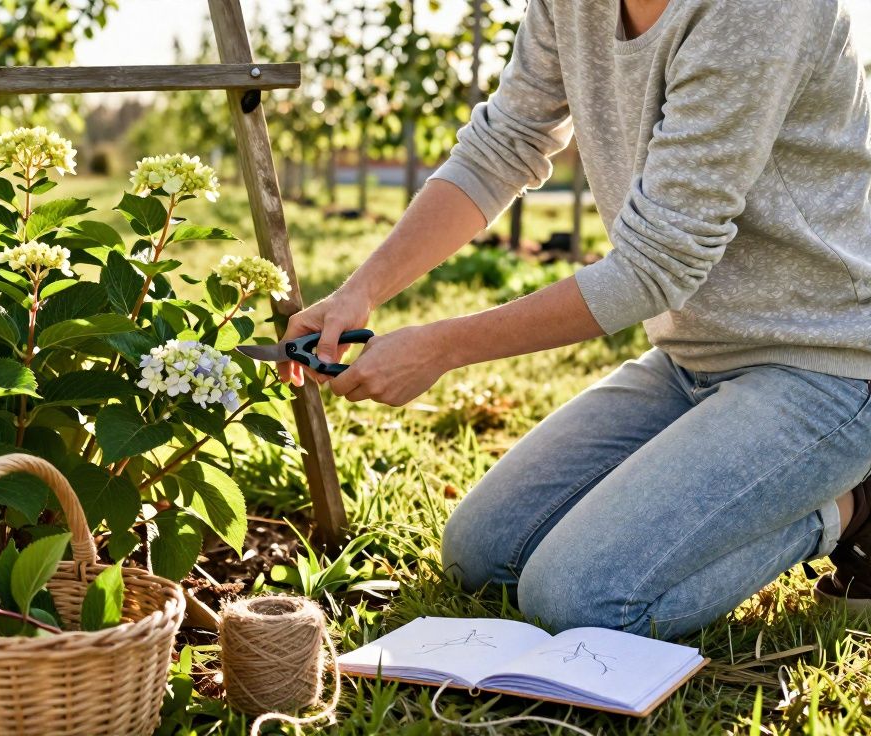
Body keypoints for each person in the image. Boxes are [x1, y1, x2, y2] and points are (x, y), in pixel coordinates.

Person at [282, 0, 871, 640]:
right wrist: (359, 291)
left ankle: (852, 508)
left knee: (581, 602)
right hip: (691, 358)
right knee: (482, 555)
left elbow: (657, 265)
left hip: (827, 362)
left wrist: (441, 347)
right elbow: (503, 144)